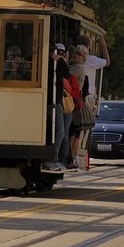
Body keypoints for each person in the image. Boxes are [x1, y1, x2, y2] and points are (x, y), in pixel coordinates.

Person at [45, 42, 71, 173]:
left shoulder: (59, 64)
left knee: (59, 133)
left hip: (56, 103)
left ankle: (53, 159)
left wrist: (59, 60)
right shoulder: (47, 62)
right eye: (57, 53)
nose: (59, 56)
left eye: (62, 54)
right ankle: (50, 159)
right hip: (48, 102)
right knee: (57, 132)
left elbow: (66, 74)